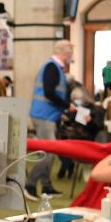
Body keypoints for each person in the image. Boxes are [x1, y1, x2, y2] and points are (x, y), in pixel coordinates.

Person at [26, 39, 74, 198]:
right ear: (64, 52)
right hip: (43, 115)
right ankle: (30, 185)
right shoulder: (52, 67)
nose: (71, 56)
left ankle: (46, 187)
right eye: (70, 52)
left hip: (47, 114)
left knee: (48, 150)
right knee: (49, 152)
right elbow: (49, 92)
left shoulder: (55, 68)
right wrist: (67, 105)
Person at [56, 85, 104, 178]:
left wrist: (90, 122)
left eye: (78, 100)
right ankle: (67, 165)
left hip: (88, 140)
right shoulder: (76, 109)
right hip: (75, 137)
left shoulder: (96, 111)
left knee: (65, 145)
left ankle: (66, 165)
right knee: (60, 140)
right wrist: (66, 119)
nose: (77, 102)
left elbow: (98, 128)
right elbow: (71, 121)